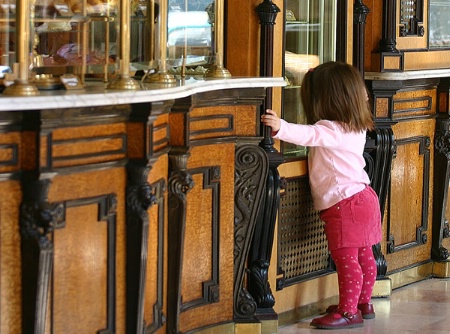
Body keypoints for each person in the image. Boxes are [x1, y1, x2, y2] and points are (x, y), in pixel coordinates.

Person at [261, 61, 382, 330]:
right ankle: (363, 303)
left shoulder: (331, 128)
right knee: (365, 255)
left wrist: (280, 126)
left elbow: (308, 134)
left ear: (326, 99)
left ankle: (348, 312)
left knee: (346, 259)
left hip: (344, 203)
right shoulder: (357, 124)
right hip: (364, 196)